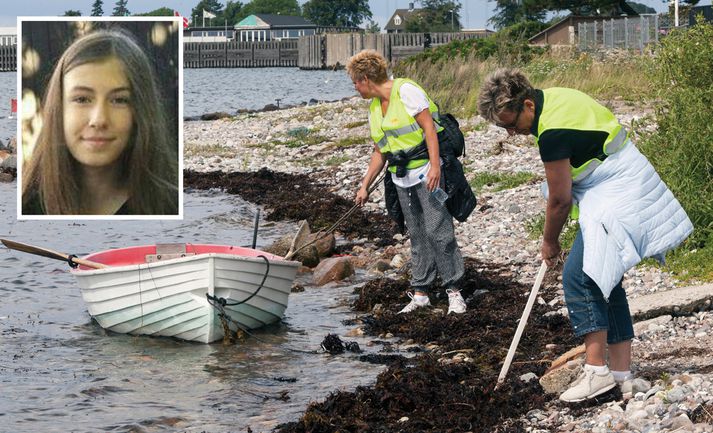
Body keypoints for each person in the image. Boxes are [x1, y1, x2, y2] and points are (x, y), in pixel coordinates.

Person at [478, 69, 693, 402]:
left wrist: (550, 241)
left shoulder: (551, 131)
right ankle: (621, 375)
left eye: (511, 123)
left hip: (620, 189)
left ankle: (596, 372)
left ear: (528, 105)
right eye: (502, 127)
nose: (511, 132)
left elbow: (560, 200)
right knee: (606, 277)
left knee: (580, 277)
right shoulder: (558, 95)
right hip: (621, 180)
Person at [346, 49, 467, 315]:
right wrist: (364, 185)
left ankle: (454, 291)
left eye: (355, 82)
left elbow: (429, 129)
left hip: (427, 170)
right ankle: (421, 292)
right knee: (417, 233)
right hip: (401, 178)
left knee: (439, 230)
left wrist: (436, 166)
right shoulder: (375, 108)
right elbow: (380, 151)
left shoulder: (406, 91)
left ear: (366, 78)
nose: (355, 88)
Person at [22, 29, 178, 215]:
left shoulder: (169, 206)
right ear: (59, 108)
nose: (99, 120)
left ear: (140, 111)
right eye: (82, 99)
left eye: (119, 100)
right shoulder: (28, 207)